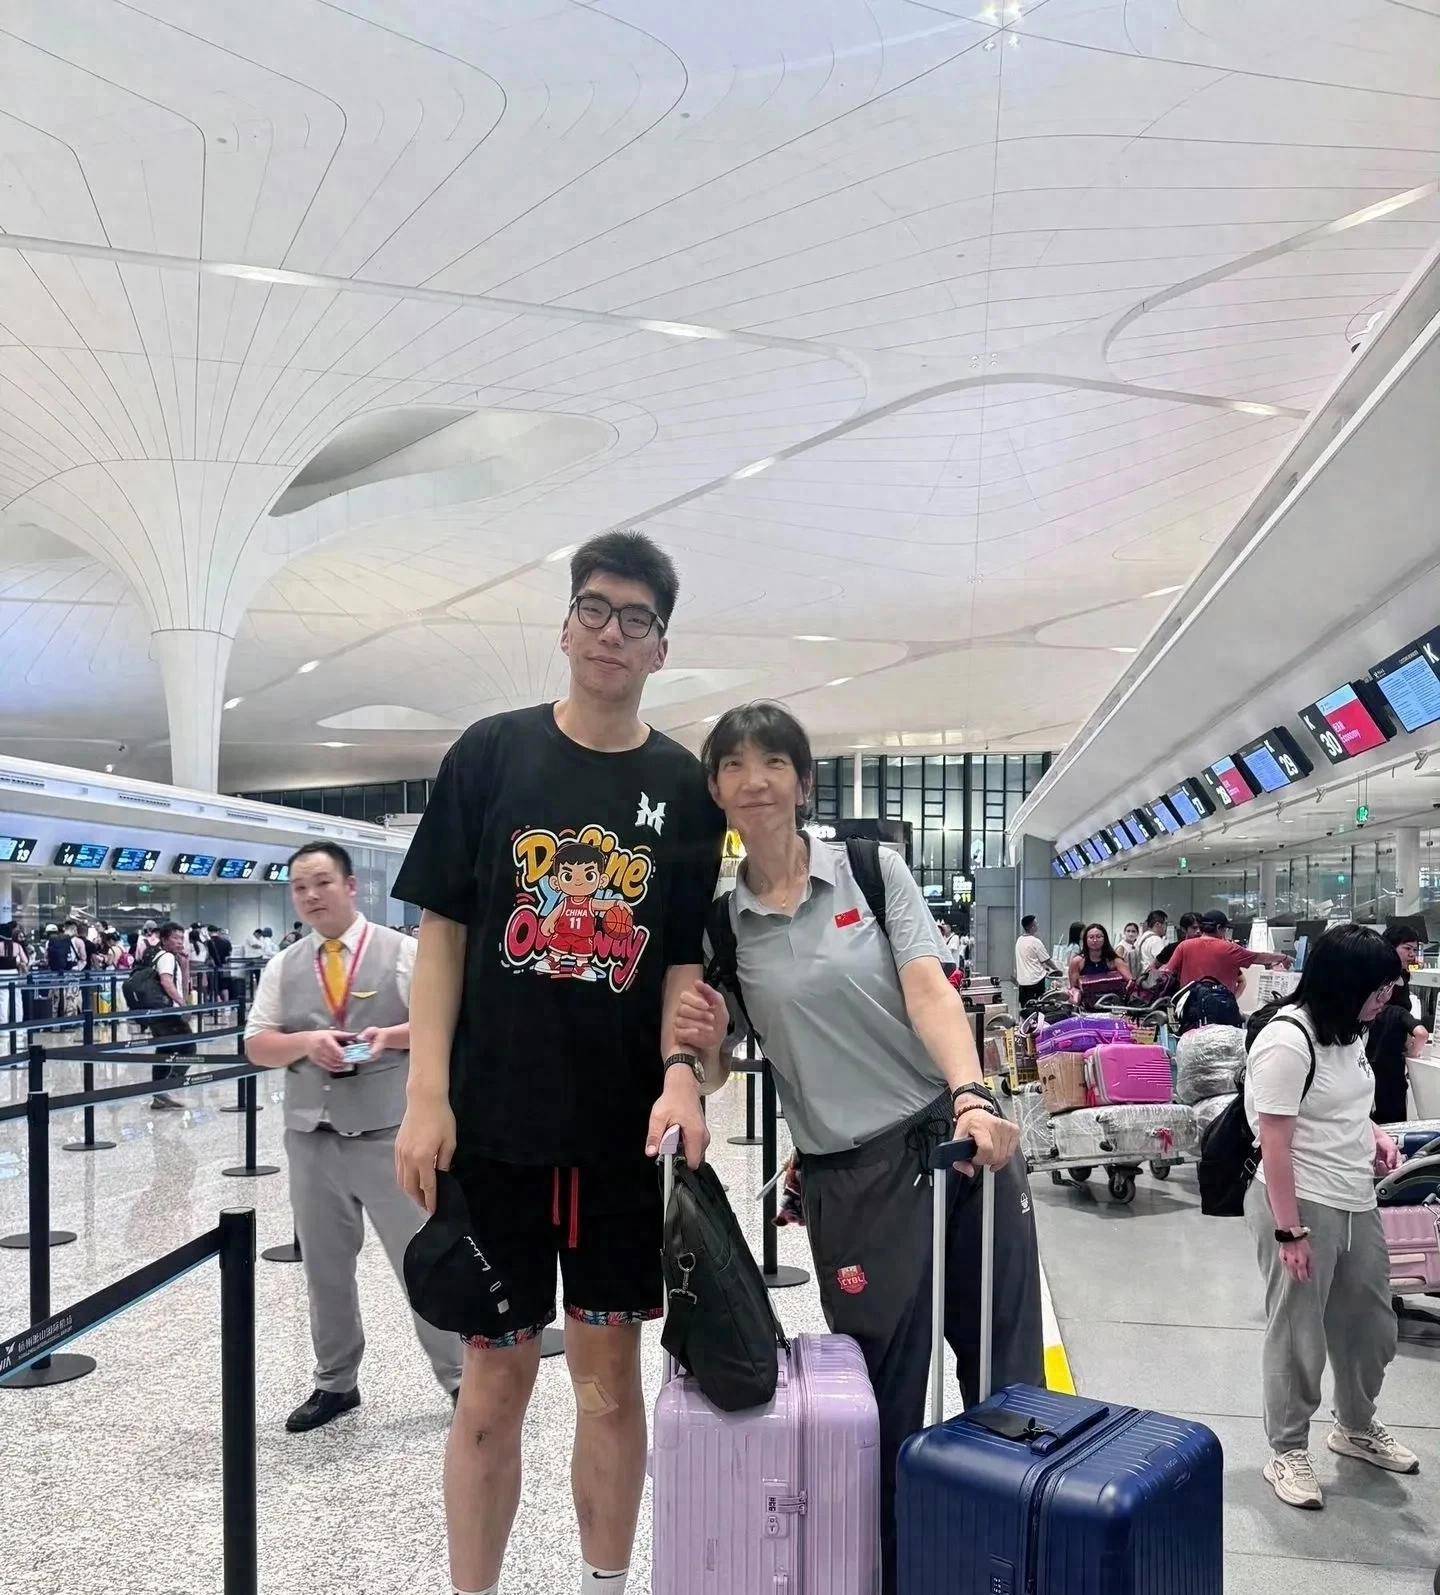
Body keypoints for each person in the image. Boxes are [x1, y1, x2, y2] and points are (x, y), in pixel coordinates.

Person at [392, 530, 724, 1595]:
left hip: (618, 1140)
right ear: (566, 625)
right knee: (491, 1384)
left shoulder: (684, 786)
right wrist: (426, 1095)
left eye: (636, 618)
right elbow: (443, 935)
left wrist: (682, 1073)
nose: (611, 632)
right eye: (595, 608)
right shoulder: (489, 755)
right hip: (494, 1129)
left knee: (608, 1383)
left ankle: (603, 1584)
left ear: (661, 647)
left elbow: (683, 960)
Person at [673, 701, 1041, 1595]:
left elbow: (929, 990)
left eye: (774, 762)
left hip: (957, 1138)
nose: (755, 780)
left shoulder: (871, 872)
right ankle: (893, 1574)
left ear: (804, 781)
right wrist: (701, 1053)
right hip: (854, 1181)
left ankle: (1012, 1564)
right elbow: (717, 1065)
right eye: (733, 765)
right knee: (884, 1405)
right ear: (715, 788)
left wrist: (972, 1093)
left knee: (1010, 1382)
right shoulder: (723, 925)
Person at [244, 841, 462, 1431]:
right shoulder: (285, 965)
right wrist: (305, 1043)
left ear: (350, 886)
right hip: (312, 1138)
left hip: (390, 1135)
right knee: (325, 1268)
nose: (311, 896)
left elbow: (447, 1023)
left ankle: (460, 1378)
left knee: (421, 1260)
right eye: (299, 887)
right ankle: (335, 1383)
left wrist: (390, 1037)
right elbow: (258, 1043)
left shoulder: (402, 952)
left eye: (321, 882)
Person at [1244, 924, 1417, 1509]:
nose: (1387, 998)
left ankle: (1355, 1426)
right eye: (1379, 988)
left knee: (1371, 1324)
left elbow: (1340, 1101)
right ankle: (1287, 1448)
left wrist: (1372, 1132)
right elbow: (1274, 1141)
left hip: (1355, 1195)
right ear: (1344, 985)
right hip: (1300, 1199)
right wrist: (1289, 1230)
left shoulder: (1350, 1031)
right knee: (1299, 1331)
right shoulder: (1287, 1040)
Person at [1368, 923, 1430, 1123]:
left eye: (1415, 949)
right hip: (1381, 1054)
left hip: (1390, 1054)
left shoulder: (1402, 976)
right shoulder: (1381, 983)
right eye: (1407, 948)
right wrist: (1412, 1050)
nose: (1412, 954)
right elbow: (1420, 1033)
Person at [1165, 910, 1290, 996]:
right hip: (1220, 1010)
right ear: (1218, 928)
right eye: (1225, 929)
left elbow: (1167, 973)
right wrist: (1283, 957)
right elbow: (1259, 957)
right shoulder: (1230, 948)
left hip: (1188, 1009)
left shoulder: (1184, 946)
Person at [145, 922, 195, 1110]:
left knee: (164, 1052)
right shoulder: (166, 957)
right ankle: (168, 1086)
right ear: (164, 939)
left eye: (182, 938)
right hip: (167, 1013)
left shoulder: (165, 956)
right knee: (189, 1048)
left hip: (158, 1012)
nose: (180, 942)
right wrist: (183, 1005)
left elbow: (182, 984)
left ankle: (159, 1096)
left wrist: (185, 965)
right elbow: (166, 982)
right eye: (175, 938)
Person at [1067, 923, 1131, 1009]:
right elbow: (1074, 988)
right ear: (1085, 940)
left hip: (1113, 1008)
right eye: (1091, 937)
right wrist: (1074, 998)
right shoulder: (1077, 962)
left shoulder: (1115, 961)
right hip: (1086, 1009)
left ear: (1105, 939)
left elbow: (1130, 981)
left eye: (1098, 937)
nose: (1095, 940)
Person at [1014, 913, 1060, 1006]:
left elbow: (1029, 958)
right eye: (1036, 924)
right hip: (1035, 981)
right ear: (1031, 926)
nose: (1037, 925)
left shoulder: (1019, 940)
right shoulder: (1035, 941)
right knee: (1038, 1006)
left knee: (1026, 1006)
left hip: (1022, 981)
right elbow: (1046, 960)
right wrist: (1057, 970)